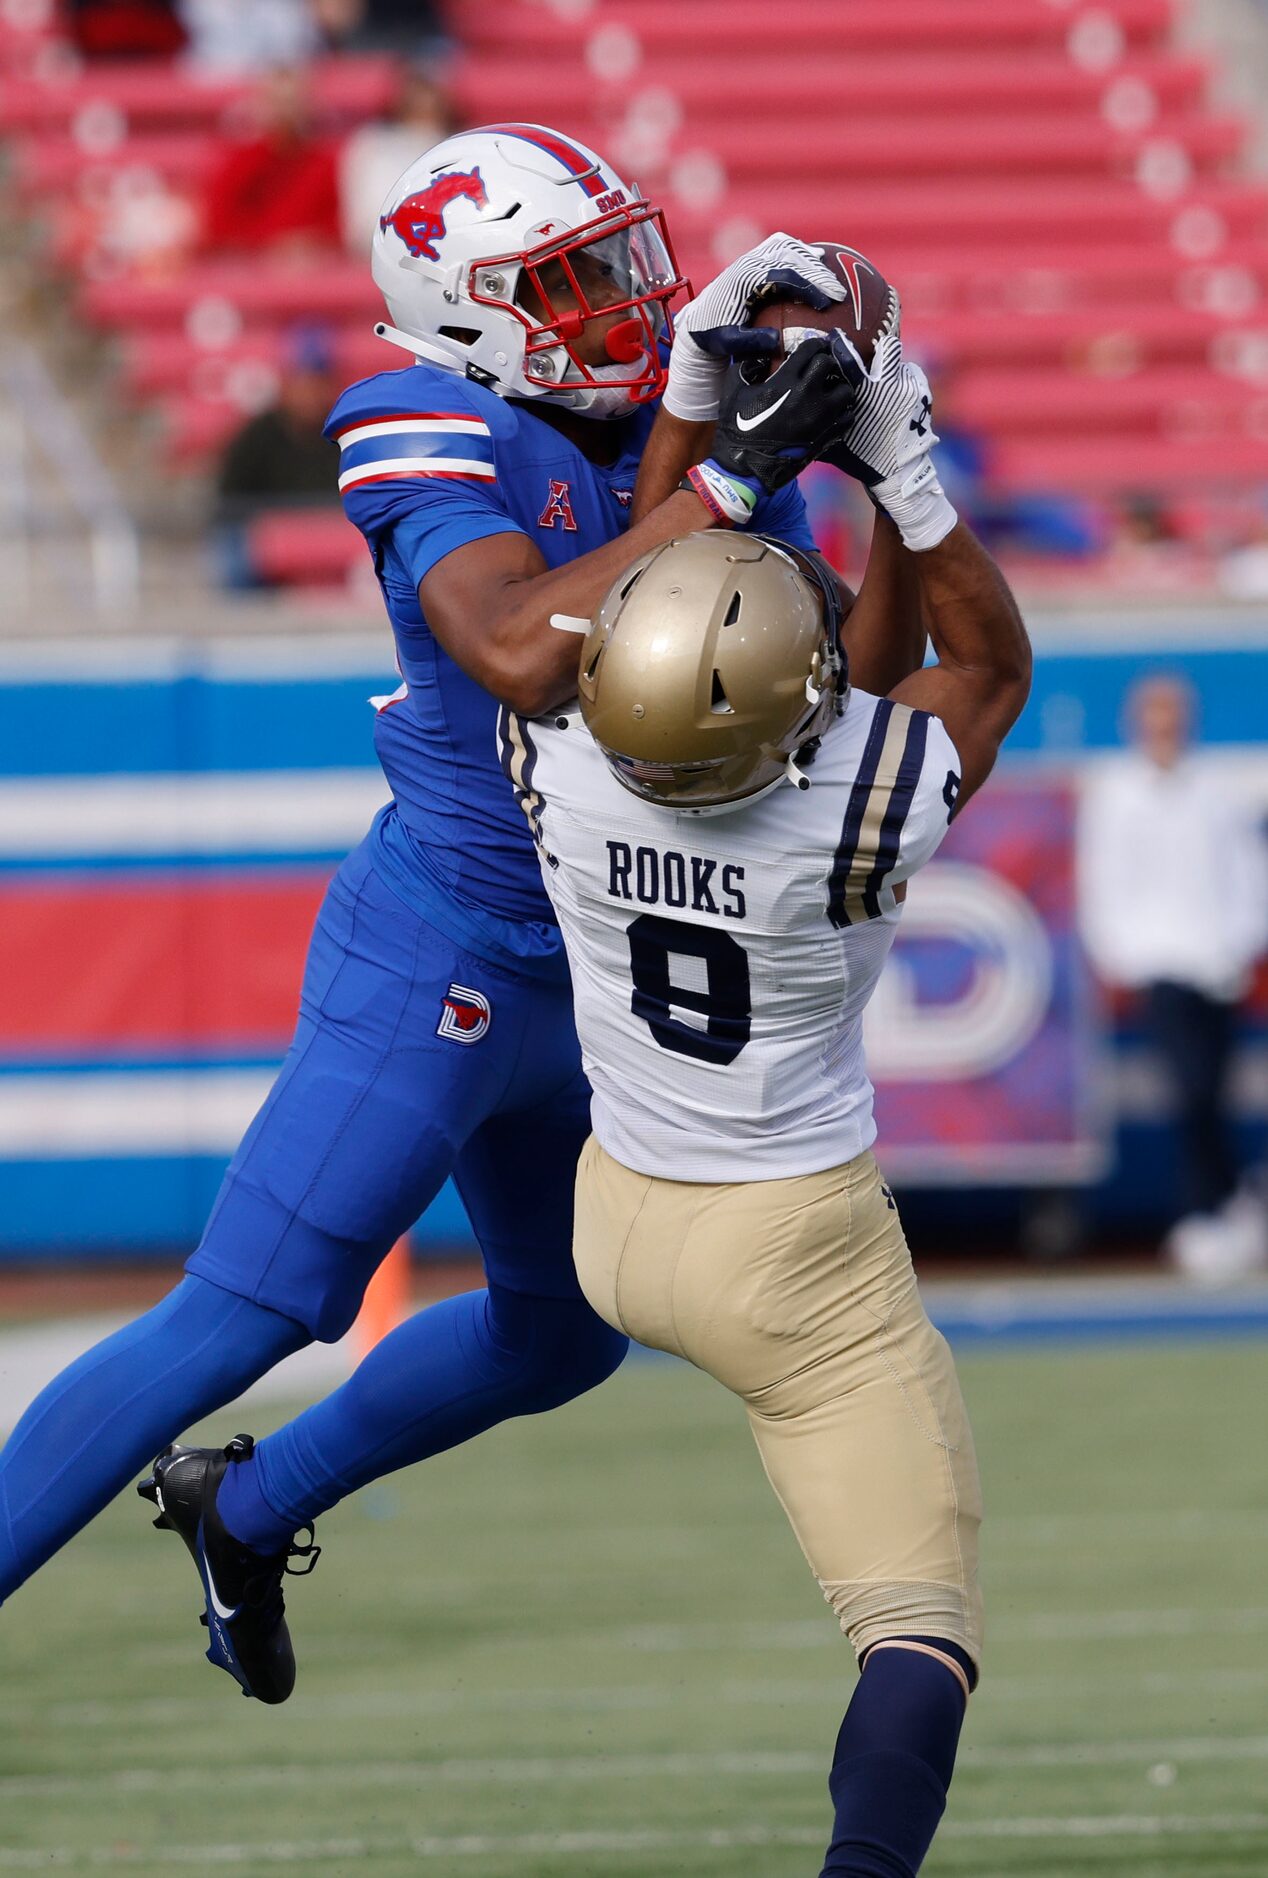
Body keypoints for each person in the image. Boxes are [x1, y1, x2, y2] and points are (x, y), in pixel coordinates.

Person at [0, 127, 914, 1692]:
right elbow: (511, 642)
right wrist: (719, 480)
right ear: (470, 306)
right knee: (251, 1308)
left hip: (603, 969)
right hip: (445, 945)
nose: (627, 302)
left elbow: (855, 674)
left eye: (623, 258)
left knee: (560, 1338)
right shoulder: (421, 408)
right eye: (573, 279)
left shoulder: (669, 421)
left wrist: (893, 464)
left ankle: (251, 1504)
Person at [1078, 672, 1268, 1280]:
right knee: (1189, 1091)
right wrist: (1121, 958)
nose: (1165, 729)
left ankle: (1224, 1205)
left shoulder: (1215, 790)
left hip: (1218, 965)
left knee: (1211, 1091)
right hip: (1159, 967)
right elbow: (1103, 881)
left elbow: (1245, 875)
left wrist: (1240, 949)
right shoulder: (1115, 792)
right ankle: (1206, 1210)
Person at [213, 324, 342, 587]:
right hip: (269, 542)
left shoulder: (344, 433)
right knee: (234, 554)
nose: (309, 392)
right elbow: (229, 503)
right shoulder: (258, 435)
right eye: (302, 379)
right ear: (285, 381)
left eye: (317, 380)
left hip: (333, 540)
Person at [198, 66, 340, 257]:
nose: (285, 112)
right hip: (251, 266)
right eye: (277, 102)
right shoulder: (240, 163)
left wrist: (306, 245)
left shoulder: (325, 165)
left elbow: (335, 227)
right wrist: (269, 247)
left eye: (292, 102)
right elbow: (219, 226)